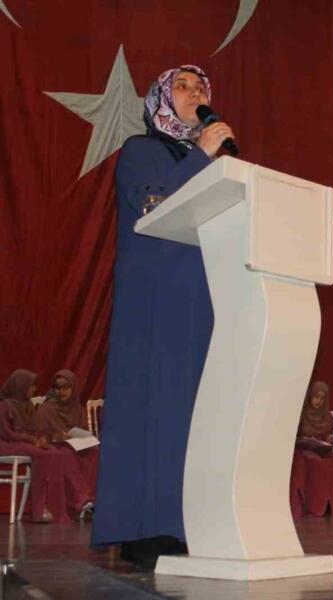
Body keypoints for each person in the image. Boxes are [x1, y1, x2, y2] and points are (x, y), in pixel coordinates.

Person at [91, 65, 236, 564]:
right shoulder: (141, 150)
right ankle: (146, 530)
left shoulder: (214, 161)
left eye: (201, 88)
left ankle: (189, 522)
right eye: (182, 86)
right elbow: (152, 204)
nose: (194, 93)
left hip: (204, 299)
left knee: (196, 413)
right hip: (154, 300)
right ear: (159, 99)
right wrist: (201, 155)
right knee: (156, 405)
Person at [0, 369, 91, 523]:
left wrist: (40, 439)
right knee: (44, 454)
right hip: (7, 444)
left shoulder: (27, 405)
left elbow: (35, 429)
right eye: (31, 386)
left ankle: (53, 505)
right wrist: (32, 440)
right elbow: (7, 434)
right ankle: (38, 510)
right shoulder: (4, 406)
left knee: (54, 453)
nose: (34, 389)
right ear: (21, 386)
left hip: (23, 443)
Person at [35, 370, 100, 502]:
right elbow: (40, 434)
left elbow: (84, 431)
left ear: (73, 388)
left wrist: (81, 436)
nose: (62, 391)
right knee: (66, 455)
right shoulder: (46, 408)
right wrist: (59, 436)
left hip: (76, 445)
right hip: (56, 446)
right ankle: (81, 499)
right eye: (58, 388)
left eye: (66, 387)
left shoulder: (77, 408)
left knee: (94, 452)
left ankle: (93, 496)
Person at [289, 382, 333, 517]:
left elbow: (326, 436)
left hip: (321, 450)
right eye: (316, 397)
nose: (318, 401)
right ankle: (315, 506)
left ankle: (329, 504)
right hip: (302, 450)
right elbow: (292, 437)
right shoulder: (301, 414)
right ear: (309, 396)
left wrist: (329, 440)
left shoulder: (327, 417)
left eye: (322, 398)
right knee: (316, 462)